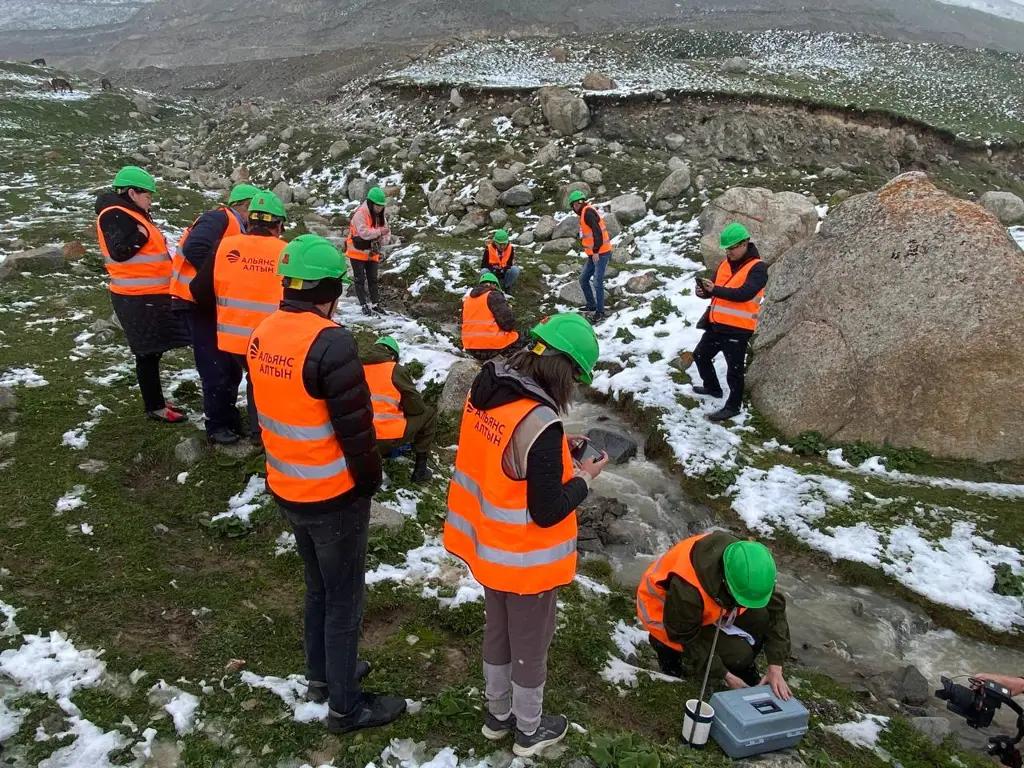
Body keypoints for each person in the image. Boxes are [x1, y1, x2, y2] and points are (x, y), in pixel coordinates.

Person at [247, 234, 406, 733]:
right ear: (331, 291)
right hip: (333, 496)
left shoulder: (262, 333)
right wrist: (370, 482)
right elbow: (357, 432)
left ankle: (323, 677)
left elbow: (258, 415)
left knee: (318, 588)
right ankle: (346, 708)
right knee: (344, 601)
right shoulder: (331, 342)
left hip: (288, 486)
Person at [444, 313, 609, 758]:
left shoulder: (490, 389)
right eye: (575, 377)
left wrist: (557, 448)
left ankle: (497, 716)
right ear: (562, 370)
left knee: (498, 631)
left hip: (488, 546)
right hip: (526, 559)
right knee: (530, 646)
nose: (573, 387)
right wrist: (585, 478)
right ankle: (529, 730)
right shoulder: (541, 422)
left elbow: (506, 454)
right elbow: (548, 509)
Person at [636, 531, 792, 701]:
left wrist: (776, 666)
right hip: (668, 616)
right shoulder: (687, 590)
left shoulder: (750, 564)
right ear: (726, 583)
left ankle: (742, 668)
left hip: (708, 603)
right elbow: (685, 636)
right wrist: (725, 675)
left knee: (761, 617)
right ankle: (668, 655)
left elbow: (775, 611)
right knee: (739, 655)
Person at [191, 190, 287, 444]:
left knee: (225, 377)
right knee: (261, 382)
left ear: (250, 221)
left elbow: (198, 290)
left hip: (230, 338)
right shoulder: (286, 253)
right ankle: (260, 433)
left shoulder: (225, 246)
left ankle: (225, 424)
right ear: (278, 225)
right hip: (268, 338)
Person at [95, 165, 190, 422]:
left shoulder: (128, 212)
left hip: (148, 295)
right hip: (136, 297)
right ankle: (155, 407)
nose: (150, 200)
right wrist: (141, 234)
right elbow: (120, 251)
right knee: (147, 352)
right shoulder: (114, 214)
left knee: (152, 351)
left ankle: (155, 401)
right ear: (131, 193)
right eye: (147, 195)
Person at [170, 183, 261, 444]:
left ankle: (228, 418)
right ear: (244, 206)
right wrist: (222, 279)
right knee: (215, 366)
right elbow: (196, 248)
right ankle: (217, 425)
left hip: (208, 303)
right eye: (254, 212)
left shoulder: (234, 227)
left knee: (228, 367)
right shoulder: (219, 218)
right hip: (195, 302)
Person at [692, 222, 768, 422]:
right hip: (716, 324)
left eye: (732, 248)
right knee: (700, 355)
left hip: (738, 328)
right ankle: (713, 388)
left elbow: (744, 294)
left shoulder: (758, 268)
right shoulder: (725, 264)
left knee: (734, 371)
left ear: (744, 243)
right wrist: (703, 292)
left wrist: (714, 290)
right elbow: (715, 290)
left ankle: (733, 407)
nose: (728, 252)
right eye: (726, 248)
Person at [361, 335, 436, 484]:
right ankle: (420, 470)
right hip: (384, 438)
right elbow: (416, 408)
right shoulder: (395, 370)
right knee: (429, 414)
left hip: (359, 438)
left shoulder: (356, 368)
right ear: (393, 355)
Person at [568, 190, 612, 323]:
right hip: (594, 254)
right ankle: (591, 305)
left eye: (577, 204)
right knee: (583, 279)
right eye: (574, 205)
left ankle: (600, 312)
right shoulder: (584, 213)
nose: (575, 207)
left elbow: (597, 232)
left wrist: (596, 250)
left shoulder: (588, 213)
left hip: (601, 253)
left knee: (597, 281)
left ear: (581, 203)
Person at [345, 185, 390, 316]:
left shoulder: (381, 216)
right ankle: (363, 305)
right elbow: (364, 233)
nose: (380, 208)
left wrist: (383, 240)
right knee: (359, 279)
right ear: (371, 203)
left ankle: (375, 304)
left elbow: (387, 232)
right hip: (357, 251)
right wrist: (379, 232)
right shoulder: (360, 214)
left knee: (373, 279)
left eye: (381, 206)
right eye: (377, 205)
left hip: (372, 252)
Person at [461, 273, 519, 361]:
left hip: (470, 347)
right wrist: (509, 310)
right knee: (519, 337)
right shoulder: (493, 295)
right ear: (494, 285)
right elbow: (508, 325)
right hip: (491, 347)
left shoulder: (467, 300)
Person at [481, 229, 521, 293]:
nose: (502, 247)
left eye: (504, 244)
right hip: (492, 273)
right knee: (484, 271)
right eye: (500, 244)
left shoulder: (510, 248)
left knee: (515, 270)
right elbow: (483, 265)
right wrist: (494, 268)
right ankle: (490, 289)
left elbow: (509, 264)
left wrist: (503, 268)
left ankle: (506, 287)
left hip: (504, 273)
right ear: (495, 242)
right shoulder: (488, 248)